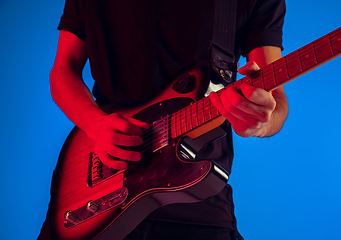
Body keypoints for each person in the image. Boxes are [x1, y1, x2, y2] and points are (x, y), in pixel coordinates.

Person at [39, 0, 288, 239]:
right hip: (98, 192)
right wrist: (95, 125)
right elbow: (63, 69)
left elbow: (276, 102)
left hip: (196, 205)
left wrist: (259, 121)